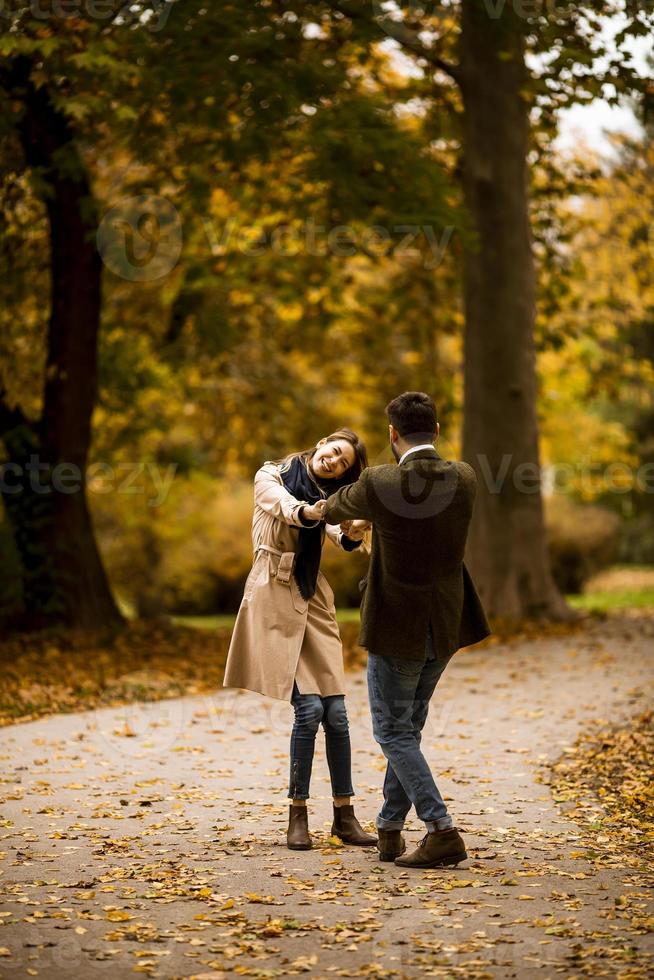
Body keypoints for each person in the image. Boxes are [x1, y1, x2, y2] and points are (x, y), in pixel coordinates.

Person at [323, 393, 491, 869]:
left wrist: (361, 514)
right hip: (447, 624)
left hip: (397, 625)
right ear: (435, 432)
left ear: (392, 434)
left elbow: (334, 508)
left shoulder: (378, 481)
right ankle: (390, 829)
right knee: (408, 729)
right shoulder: (464, 478)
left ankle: (441, 829)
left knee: (393, 732)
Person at [223, 429, 377, 851]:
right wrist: (322, 511)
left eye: (344, 465)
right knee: (308, 709)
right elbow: (291, 510)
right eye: (335, 453)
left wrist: (357, 525)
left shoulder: (327, 497)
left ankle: (345, 816)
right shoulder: (272, 474)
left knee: (338, 714)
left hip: (311, 594)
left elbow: (339, 537)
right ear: (323, 442)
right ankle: (298, 815)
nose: (333, 462)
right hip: (273, 590)